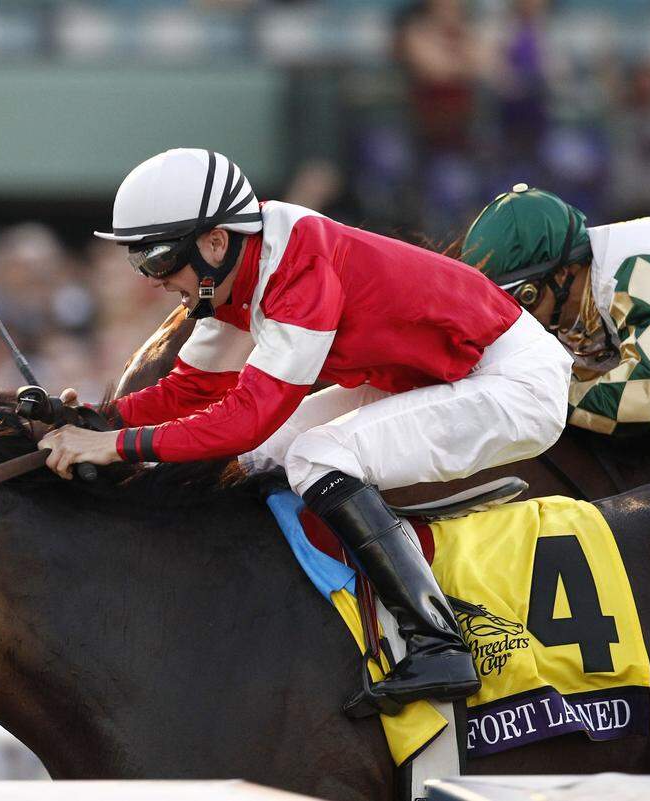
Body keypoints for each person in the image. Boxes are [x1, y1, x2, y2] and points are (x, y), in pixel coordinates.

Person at [39, 148, 573, 711]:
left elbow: (243, 419)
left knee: (319, 454)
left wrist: (113, 446)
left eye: (160, 260)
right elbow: (194, 389)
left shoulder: (299, 268)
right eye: (141, 262)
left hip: (512, 381)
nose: (153, 280)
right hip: (428, 376)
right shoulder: (233, 273)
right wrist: (100, 420)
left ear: (215, 241)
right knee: (266, 456)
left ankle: (438, 644)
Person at [461, 184, 650, 478]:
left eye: (523, 300)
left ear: (562, 274)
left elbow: (649, 395)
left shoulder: (638, 267)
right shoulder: (587, 286)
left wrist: (546, 396)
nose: (515, 320)